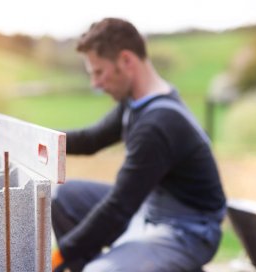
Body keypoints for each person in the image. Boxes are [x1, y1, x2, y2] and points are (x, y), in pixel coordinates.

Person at [51, 18, 226, 272]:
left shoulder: (157, 124)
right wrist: (34, 139)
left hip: (188, 230)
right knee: (64, 198)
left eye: (99, 72)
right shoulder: (135, 103)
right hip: (150, 209)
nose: (95, 84)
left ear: (126, 61)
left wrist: (57, 257)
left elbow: (118, 208)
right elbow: (90, 140)